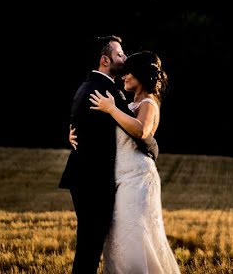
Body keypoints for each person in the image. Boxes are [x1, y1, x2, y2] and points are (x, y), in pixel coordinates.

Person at [58, 36, 155, 274]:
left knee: (87, 246)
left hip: (82, 177)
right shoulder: (107, 91)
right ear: (105, 60)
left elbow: (77, 120)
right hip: (93, 181)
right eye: (120, 54)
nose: (124, 57)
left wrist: (71, 136)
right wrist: (153, 149)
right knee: (90, 249)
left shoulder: (86, 85)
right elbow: (138, 133)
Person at [80, 50, 180, 274]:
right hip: (119, 178)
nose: (124, 76)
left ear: (142, 75)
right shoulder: (128, 102)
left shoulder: (149, 102)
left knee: (134, 238)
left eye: (129, 73)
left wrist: (111, 109)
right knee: (118, 238)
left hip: (138, 179)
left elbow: (142, 130)